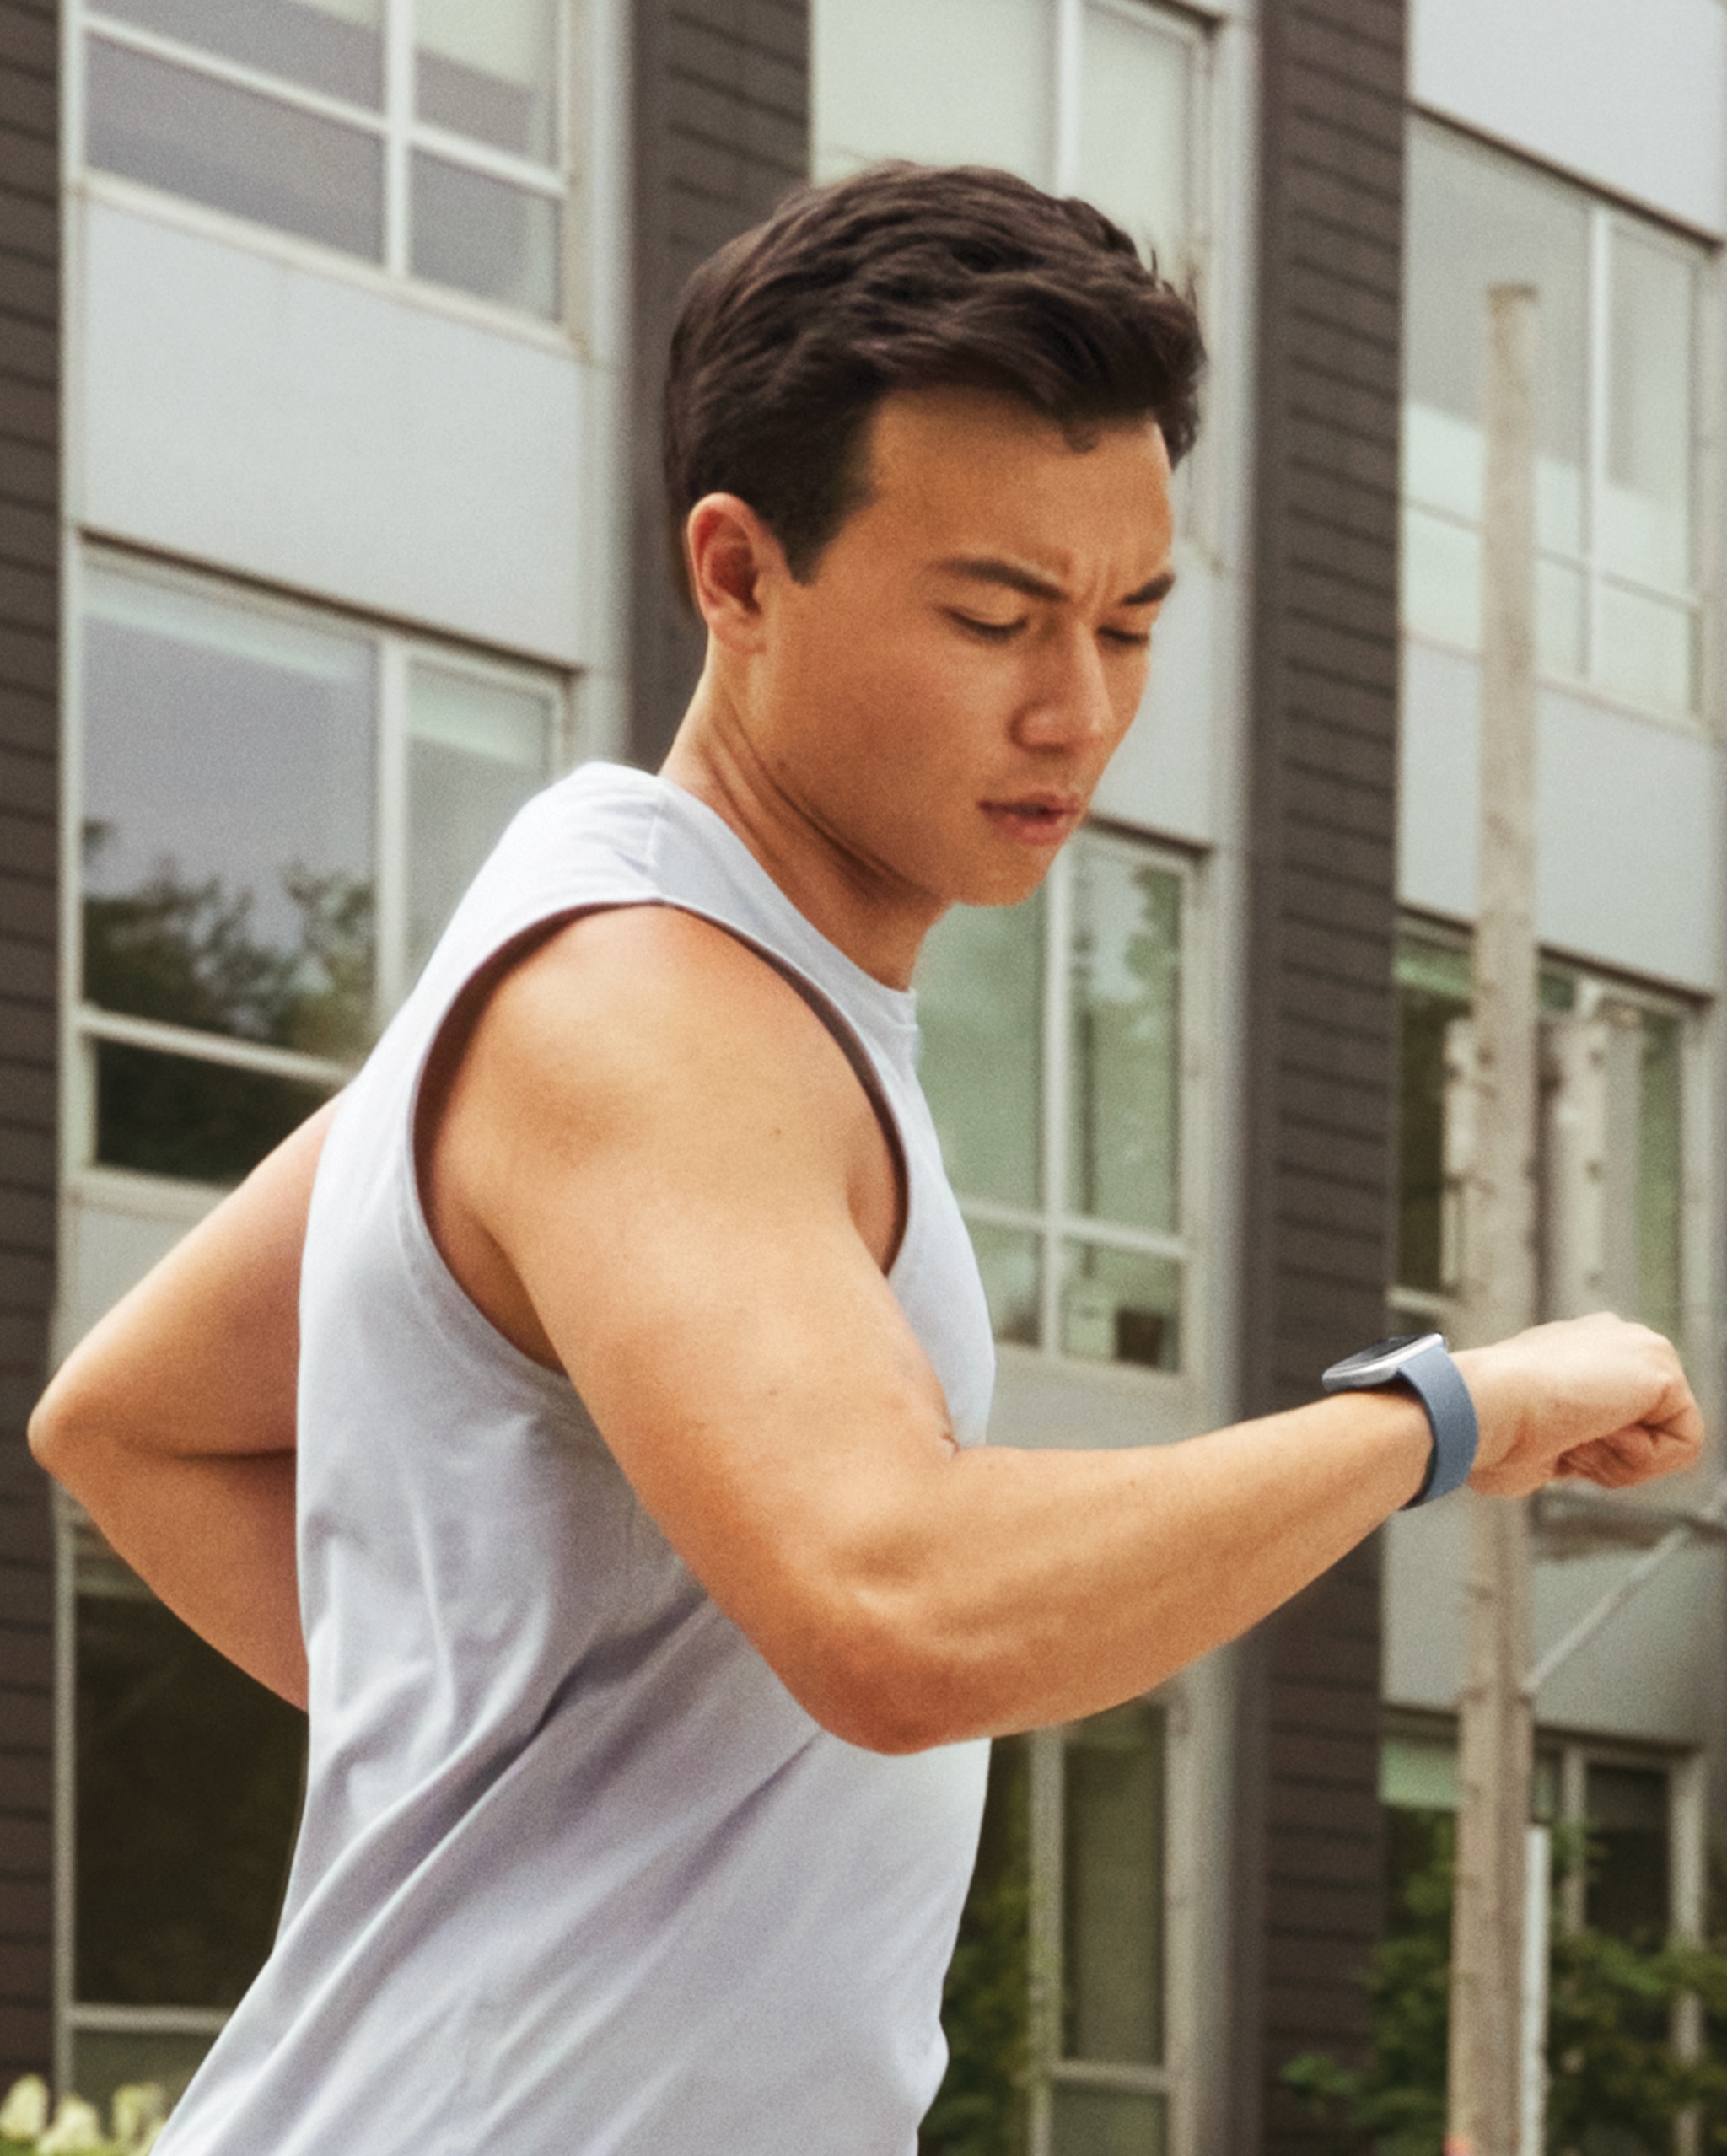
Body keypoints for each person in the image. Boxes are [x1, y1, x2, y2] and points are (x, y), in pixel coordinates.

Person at [30, 163, 1701, 2154]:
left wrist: (571, 1783)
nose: (1074, 711)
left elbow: (133, 1419)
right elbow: (901, 1614)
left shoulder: (590, 969)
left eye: (1130, 621)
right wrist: (1448, 1414)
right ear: (736, 573)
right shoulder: (647, 1019)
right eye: (994, 616)